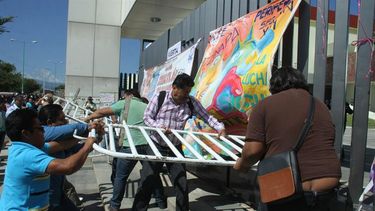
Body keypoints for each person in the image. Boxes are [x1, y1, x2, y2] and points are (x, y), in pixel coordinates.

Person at [234, 66, 341, 211]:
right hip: (327, 187)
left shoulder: (264, 105)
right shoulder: (321, 106)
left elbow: (253, 150)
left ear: (273, 85)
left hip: (285, 190)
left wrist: (242, 165)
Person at [132, 73, 226, 211]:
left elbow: (206, 116)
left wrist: (220, 127)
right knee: (147, 180)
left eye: (189, 92)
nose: (186, 95)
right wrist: (159, 127)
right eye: (185, 92)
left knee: (182, 183)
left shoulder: (190, 102)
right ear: (174, 88)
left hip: (175, 147)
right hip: (156, 145)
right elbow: (147, 117)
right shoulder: (160, 98)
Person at [84, 89, 167, 211]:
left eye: (124, 96)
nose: (123, 98)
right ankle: (161, 201)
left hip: (130, 146)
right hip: (148, 144)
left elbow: (102, 112)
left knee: (120, 177)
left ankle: (114, 206)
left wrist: (87, 118)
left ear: (130, 96)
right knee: (152, 174)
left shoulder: (125, 103)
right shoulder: (147, 106)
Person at [0, 109, 97, 210]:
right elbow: (68, 167)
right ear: (26, 133)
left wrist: (87, 136)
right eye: (40, 129)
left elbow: (61, 145)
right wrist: (87, 147)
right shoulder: (27, 155)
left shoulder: (22, 147)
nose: (44, 132)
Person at [39, 104, 101, 211]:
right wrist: (87, 127)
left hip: (58, 192)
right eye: (62, 119)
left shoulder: (60, 139)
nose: (66, 122)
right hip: (47, 198)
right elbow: (72, 129)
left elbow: (80, 149)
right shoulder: (43, 132)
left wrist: (97, 136)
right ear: (49, 122)